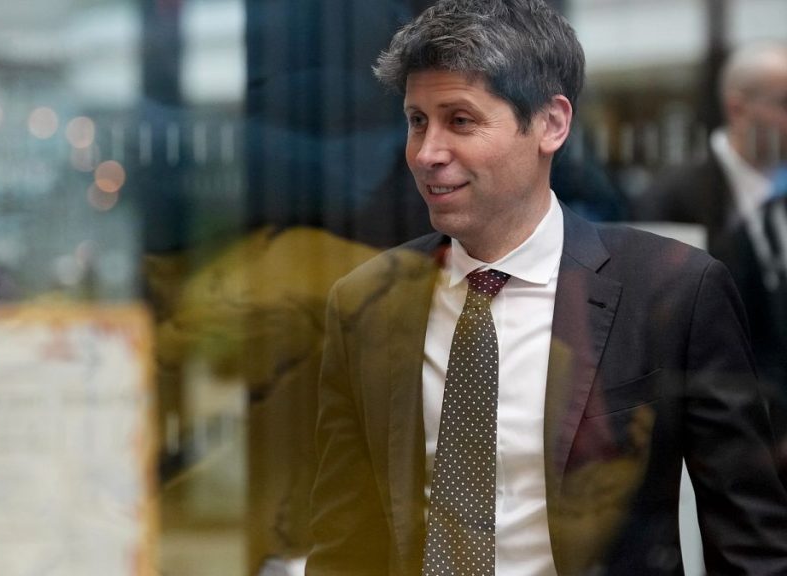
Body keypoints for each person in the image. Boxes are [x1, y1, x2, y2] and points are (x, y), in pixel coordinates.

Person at [307, 1, 787, 575]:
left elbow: (749, 543)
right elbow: (343, 541)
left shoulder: (673, 291)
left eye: (460, 120)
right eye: (416, 121)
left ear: (552, 124)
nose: (427, 153)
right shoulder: (366, 302)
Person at [638, 40, 787, 473]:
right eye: (783, 103)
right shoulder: (670, 200)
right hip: (724, 454)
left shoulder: (776, 196)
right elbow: (661, 346)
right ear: (738, 108)